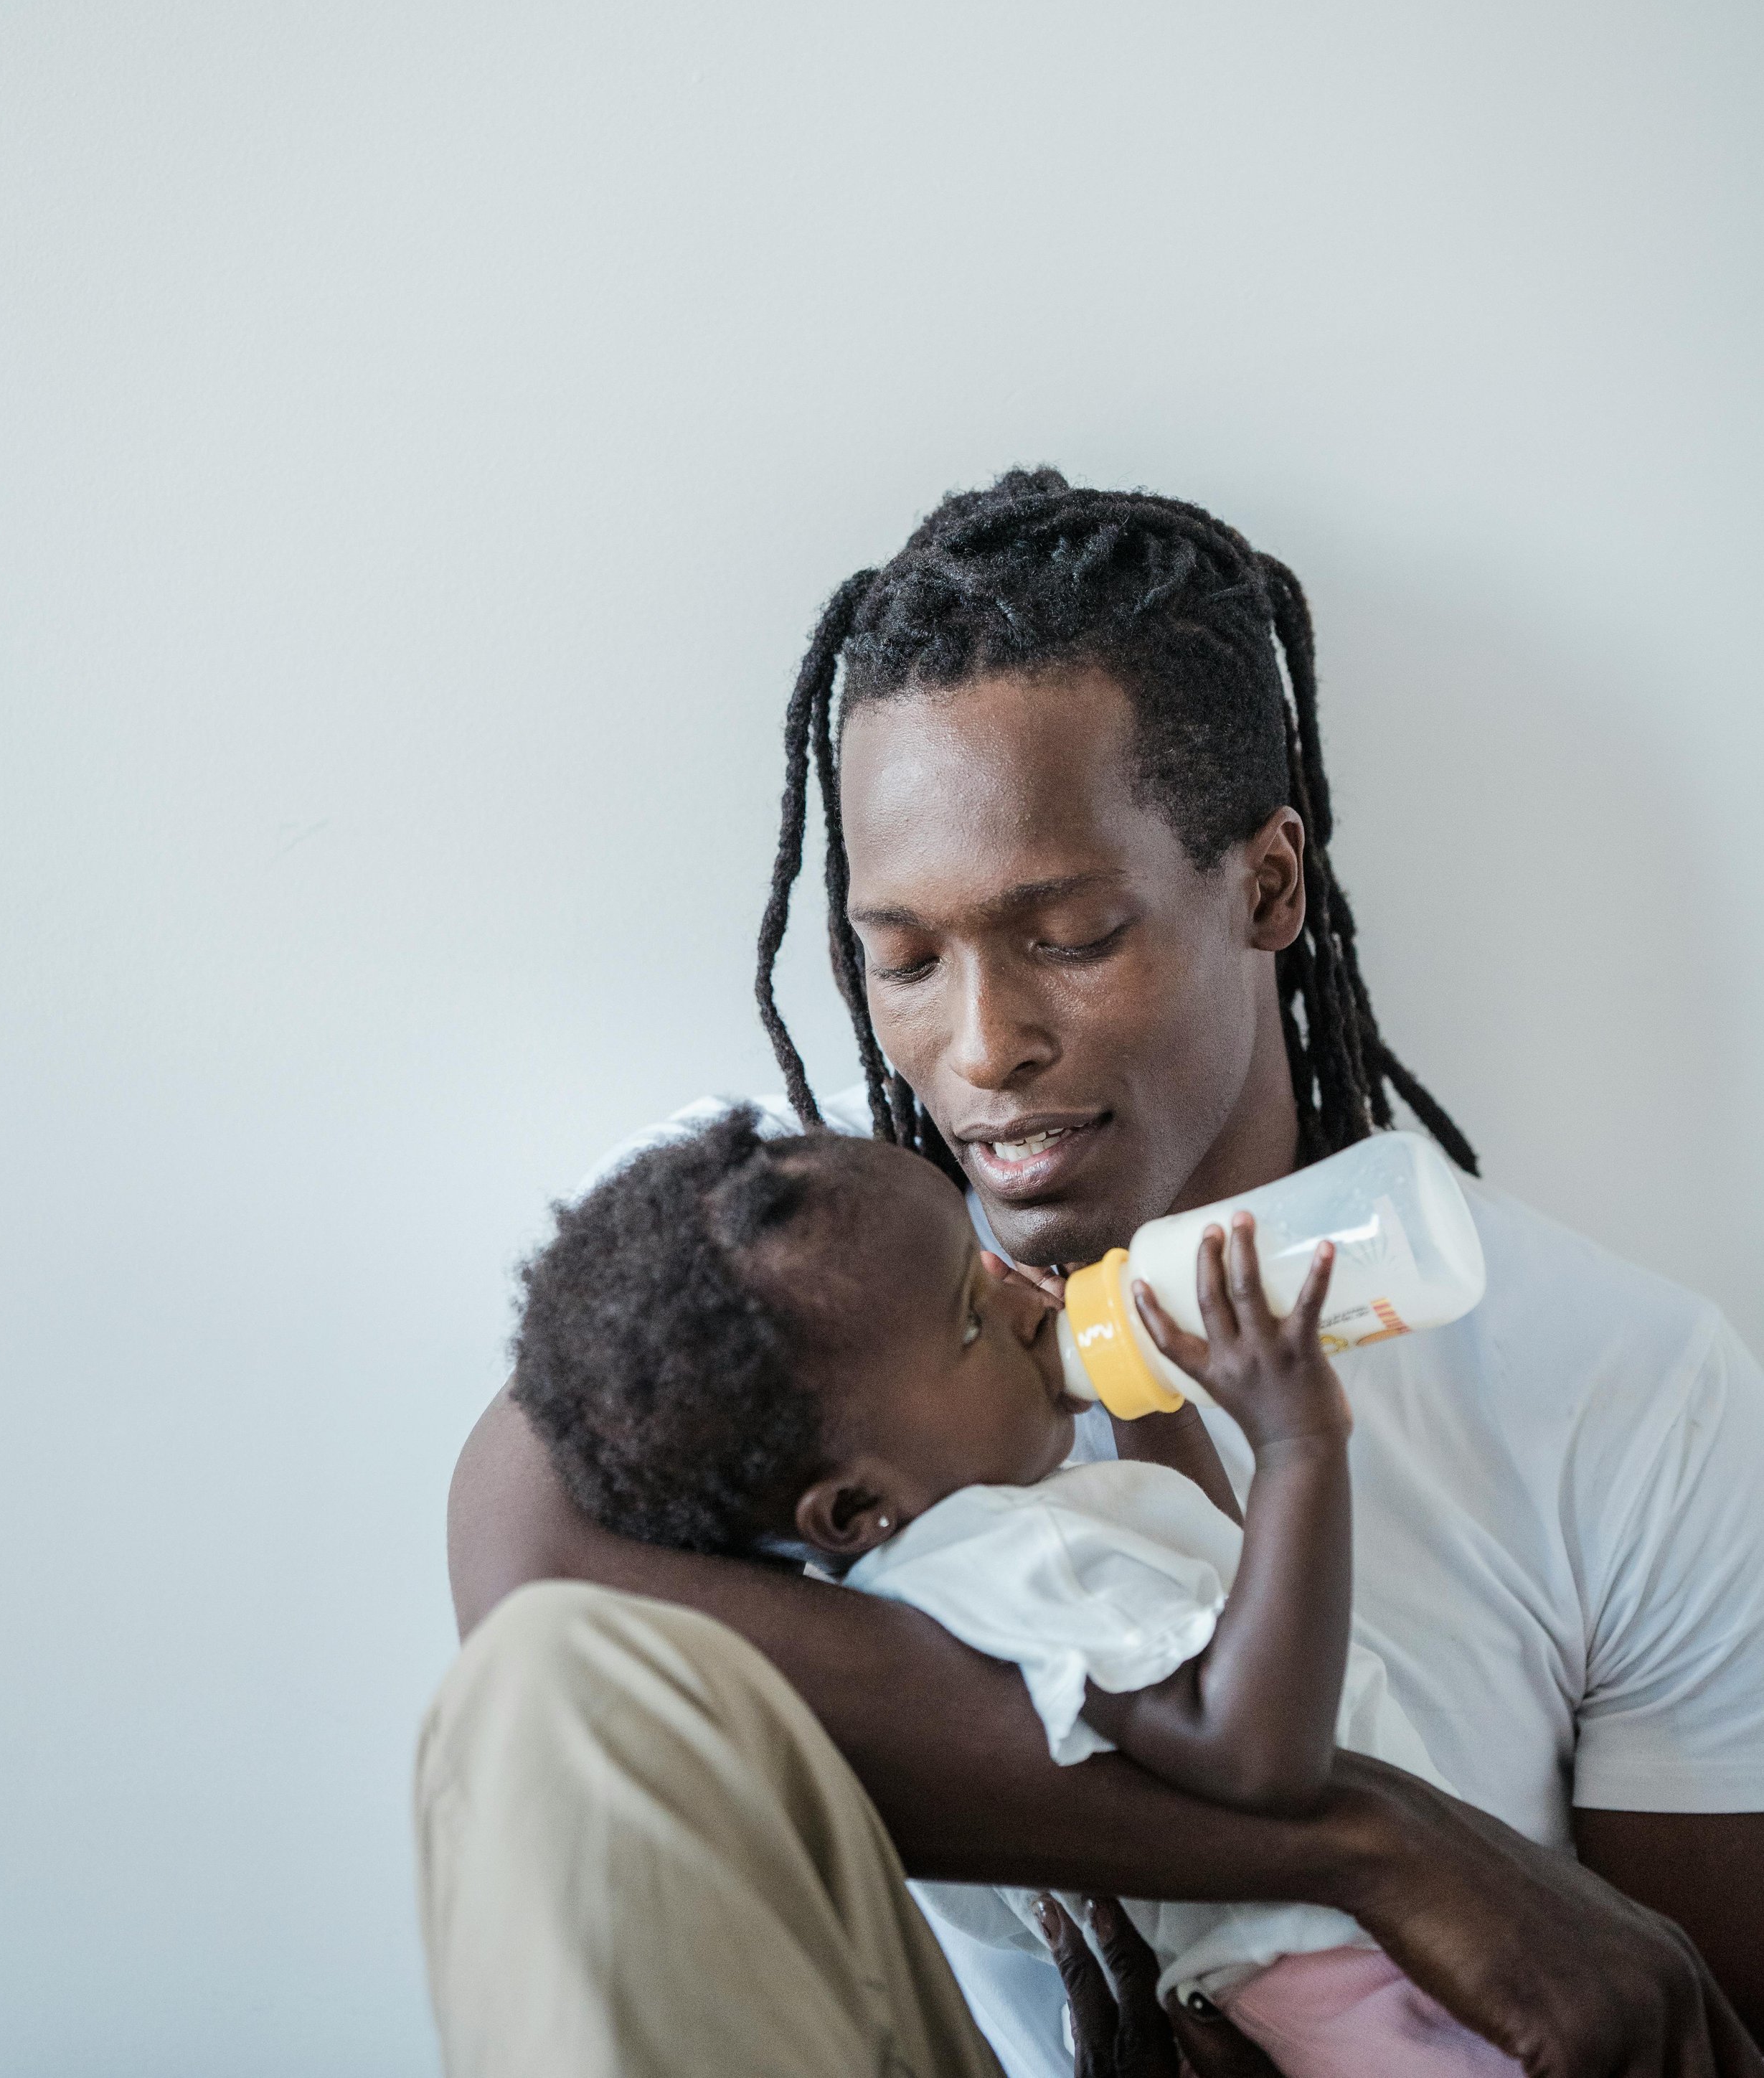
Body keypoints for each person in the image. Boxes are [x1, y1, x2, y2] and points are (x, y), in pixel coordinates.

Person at [438, 469, 1764, 2075]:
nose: (982, 1048)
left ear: (1266, 884)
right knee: (558, 1695)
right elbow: (536, 1599)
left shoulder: (1621, 1382)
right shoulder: (766, 1278)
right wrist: (1375, 1846)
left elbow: (1678, 2014)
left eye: (1068, 934)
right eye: (905, 959)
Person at [509, 1099, 1524, 2074]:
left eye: (980, 1258)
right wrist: (1299, 1442)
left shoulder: (1006, 1524)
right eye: (966, 1319)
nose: (1019, 1295)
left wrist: (1146, 1371)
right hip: (1347, 1989)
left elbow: (1195, 1597)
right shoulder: (990, 1570)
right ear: (857, 1510)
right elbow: (1257, 1756)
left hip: (1363, 1959)